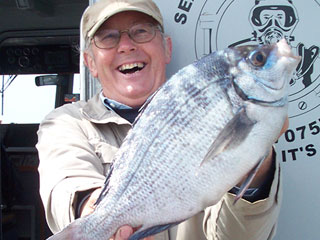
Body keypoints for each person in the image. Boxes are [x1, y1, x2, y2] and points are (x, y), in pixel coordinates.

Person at [36, 0, 287, 239]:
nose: (126, 45)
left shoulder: (215, 112)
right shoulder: (66, 123)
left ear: (167, 48)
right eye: (108, 37)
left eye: (141, 31)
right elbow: (64, 185)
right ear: (90, 62)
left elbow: (239, 237)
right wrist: (97, 217)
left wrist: (254, 166)